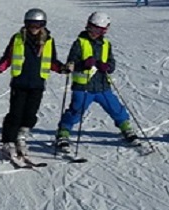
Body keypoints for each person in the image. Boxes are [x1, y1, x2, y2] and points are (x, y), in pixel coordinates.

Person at [0, 9, 67, 160]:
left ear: (43, 25)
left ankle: (21, 137)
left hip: (37, 84)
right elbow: (7, 58)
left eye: (38, 25)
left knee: (30, 114)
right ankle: (8, 141)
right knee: (15, 114)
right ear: (25, 24)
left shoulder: (48, 41)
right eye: (30, 24)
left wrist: (62, 68)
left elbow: (51, 61)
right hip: (20, 83)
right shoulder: (18, 38)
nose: (34, 28)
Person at [54, 13, 139, 155]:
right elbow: (70, 64)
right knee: (75, 111)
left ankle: (126, 128)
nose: (93, 32)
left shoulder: (106, 44)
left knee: (115, 107)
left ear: (104, 31)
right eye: (91, 28)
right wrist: (83, 64)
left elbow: (112, 63)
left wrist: (107, 67)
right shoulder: (80, 43)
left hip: (102, 85)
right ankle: (63, 132)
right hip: (83, 87)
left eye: (98, 30)